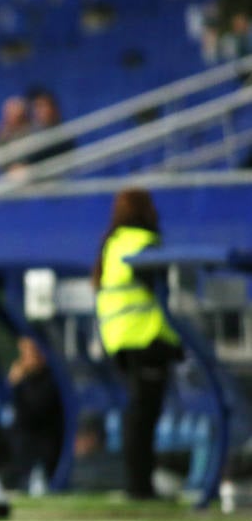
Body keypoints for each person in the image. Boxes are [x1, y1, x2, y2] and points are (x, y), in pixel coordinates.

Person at [92, 188, 183, 500]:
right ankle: (140, 486)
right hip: (146, 336)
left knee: (138, 413)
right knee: (144, 415)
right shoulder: (142, 242)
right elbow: (159, 292)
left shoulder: (113, 243)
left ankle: (139, 483)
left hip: (119, 337)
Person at [7, 335, 65, 489]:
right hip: (24, 448)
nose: (25, 358)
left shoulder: (53, 380)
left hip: (45, 448)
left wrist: (17, 385)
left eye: (31, 351)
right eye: (24, 352)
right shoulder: (24, 381)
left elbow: (35, 411)